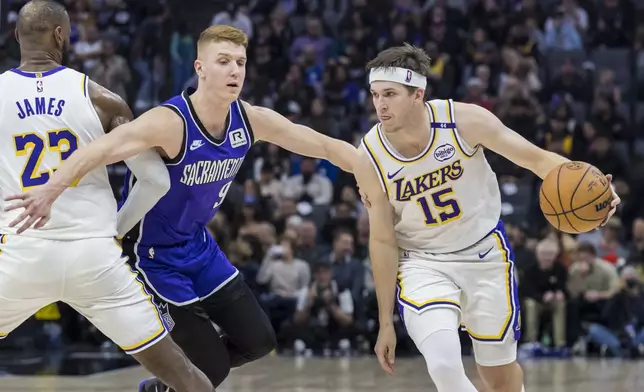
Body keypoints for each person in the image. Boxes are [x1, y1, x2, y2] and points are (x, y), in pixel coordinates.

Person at [4, 25, 358, 391]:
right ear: (200, 67)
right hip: (150, 255)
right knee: (211, 368)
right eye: (223, 61)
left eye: (240, 62)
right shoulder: (169, 122)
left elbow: (324, 145)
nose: (235, 70)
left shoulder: (250, 119)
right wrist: (51, 189)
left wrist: (371, 172)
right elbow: (101, 149)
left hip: (198, 247)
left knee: (260, 341)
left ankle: (162, 387)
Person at [354, 44, 620, 392]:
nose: (380, 105)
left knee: (500, 377)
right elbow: (383, 239)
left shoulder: (463, 120)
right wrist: (384, 320)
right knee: (445, 364)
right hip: (422, 263)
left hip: (484, 255)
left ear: (417, 93)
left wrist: (598, 183)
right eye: (375, 95)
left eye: (390, 94)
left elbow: (536, 159)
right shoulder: (369, 154)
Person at [0, 2, 213, 391]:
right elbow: (155, 181)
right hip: (95, 260)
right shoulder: (102, 100)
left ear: (16, 35)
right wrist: (114, 228)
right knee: (183, 375)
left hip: (21, 252)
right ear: (62, 35)